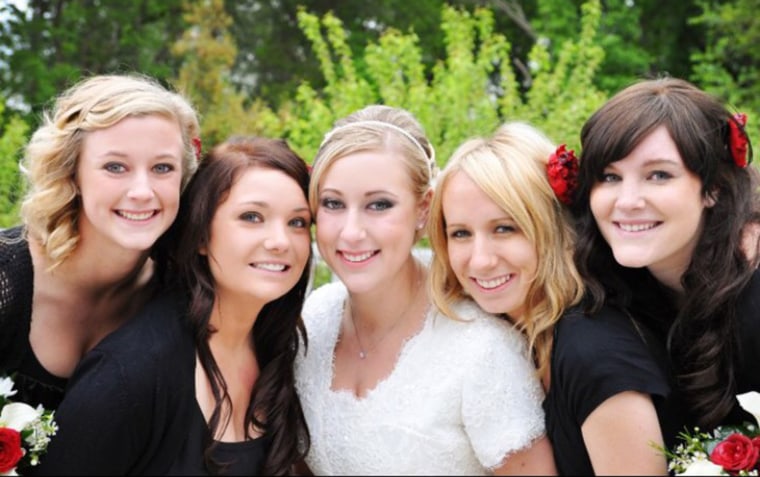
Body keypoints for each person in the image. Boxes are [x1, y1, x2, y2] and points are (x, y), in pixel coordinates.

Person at [294, 105, 555, 475]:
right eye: (333, 203)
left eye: (379, 205)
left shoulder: (481, 348)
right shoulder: (313, 320)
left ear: (423, 208)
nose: (351, 232)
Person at [33, 136, 313, 475]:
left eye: (297, 222)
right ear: (200, 236)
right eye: (252, 217)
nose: (281, 242)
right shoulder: (128, 376)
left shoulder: (278, 349)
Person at [427, 120, 678, 475]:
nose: (480, 259)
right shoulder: (516, 335)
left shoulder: (595, 355)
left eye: (505, 228)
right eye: (461, 233)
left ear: (553, 227)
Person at [568, 76, 760, 462]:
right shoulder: (614, 286)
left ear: (713, 189)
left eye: (659, 175)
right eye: (609, 177)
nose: (628, 201)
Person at [0, 73, 201, 411]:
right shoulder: (5, 278)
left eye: (163, 168)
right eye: (115, 166)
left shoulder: (185, 294)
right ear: (72, 172)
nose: (142, 191)